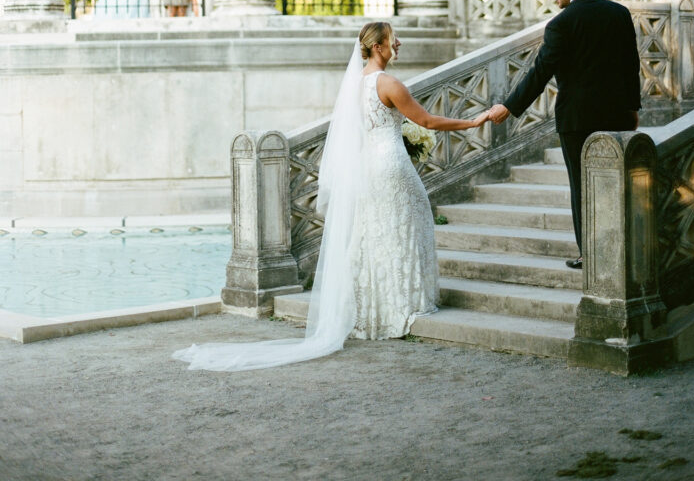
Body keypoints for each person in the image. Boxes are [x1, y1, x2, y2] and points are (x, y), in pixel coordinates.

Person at [172, 21, 490, 372]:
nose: (398, 43)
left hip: (370, 168)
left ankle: (372, 312)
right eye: (392, 39)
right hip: (392, 167)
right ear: (379, 46)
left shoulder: (354, 87)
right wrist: (475, 122)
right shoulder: (389, 83)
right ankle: (403, 306)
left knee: (374, 235)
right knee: (404, 230)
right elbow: (427, 121)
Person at [487, 0, 641, 270]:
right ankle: (626, 248)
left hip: (577, 120)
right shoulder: (619, 13)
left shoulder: (561, 23)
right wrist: (633, 108)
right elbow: (630, 65)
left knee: (582, 186)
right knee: (620, 183)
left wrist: (509, 105)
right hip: (619, 116)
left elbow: (540, 72)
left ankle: (591, 255)